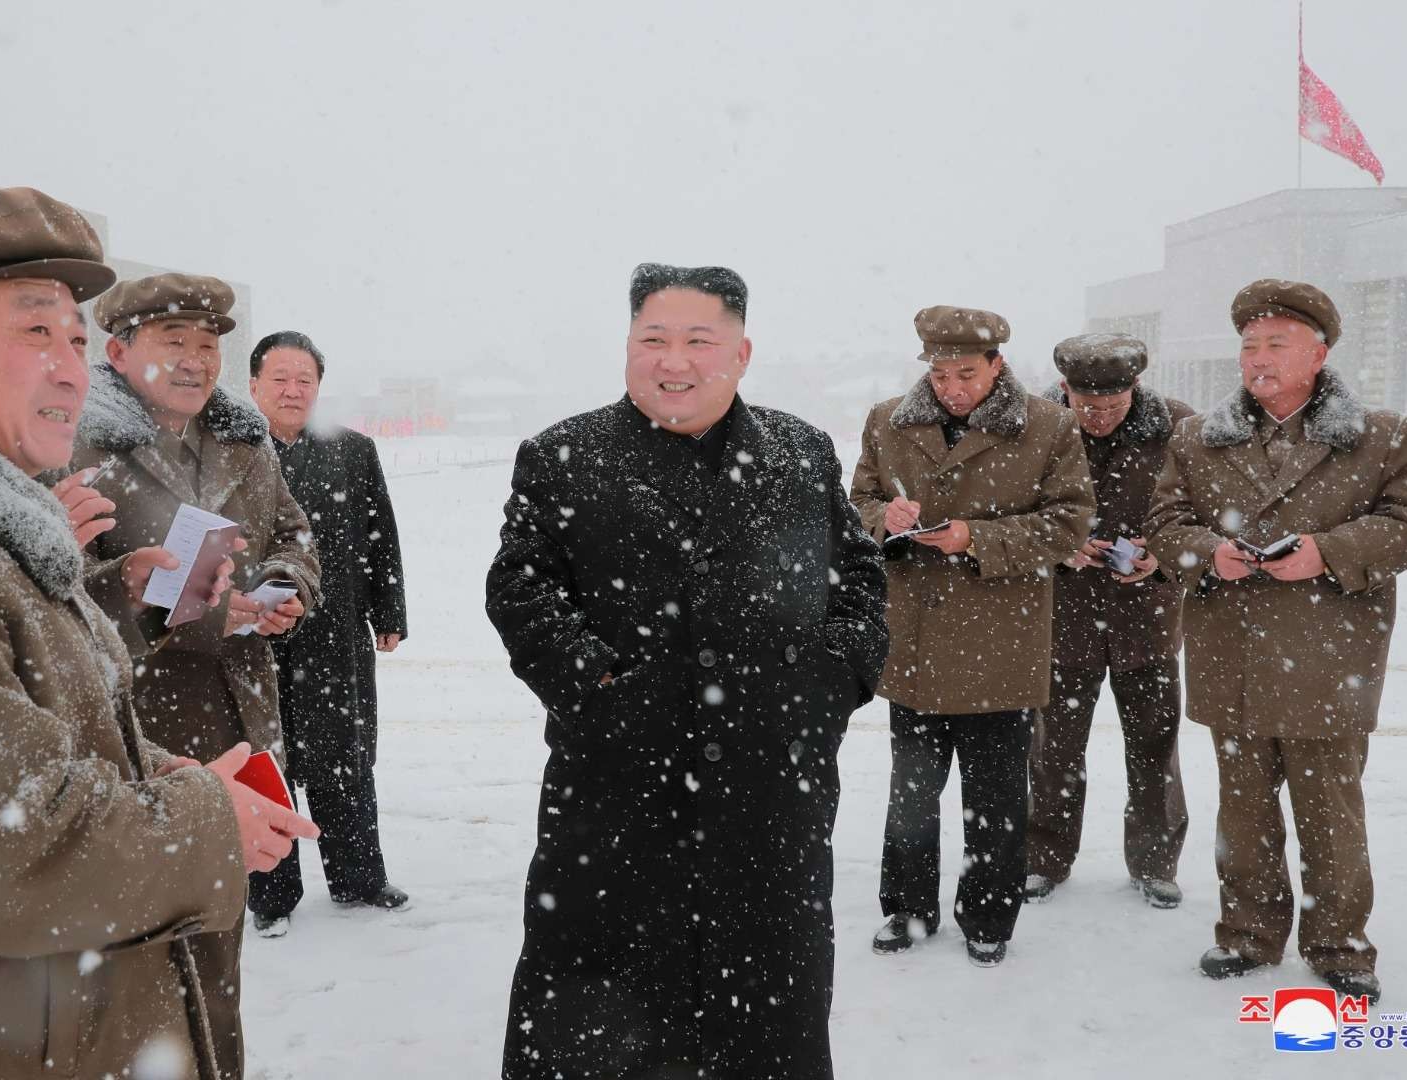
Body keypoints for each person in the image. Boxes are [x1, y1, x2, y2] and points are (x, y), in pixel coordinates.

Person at [0, 187, 316, 1079]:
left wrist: (150, 772)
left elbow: (21, 725)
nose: (68, 367)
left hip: (65, 994)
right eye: (36, 332)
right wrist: (196, 815)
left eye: (73, 340)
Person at [485, 263, 888, 1079]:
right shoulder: (564, 455)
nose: (674, 362)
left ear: (740, 353)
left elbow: (859, 583)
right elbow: (520, 589)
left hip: (769, 795)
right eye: (653, 340)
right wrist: (598, 688)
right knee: (598, 1022)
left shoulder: (800, 451)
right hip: (615, 795)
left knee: (764, 1019)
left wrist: (828, 683)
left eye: (699, 341)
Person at [1144, 279, 1407, 1006]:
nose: (1257, 359)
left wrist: (1327, 551)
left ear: (1320, 352)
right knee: (1240, 808)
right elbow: (1164, 523)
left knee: (1329, 809)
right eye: (1248, 346)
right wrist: (1206, 552)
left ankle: (1339, 943)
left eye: (1276, 344)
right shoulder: (1197, 437)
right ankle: (1246, 932)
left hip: (1327, 658)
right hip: (1230, 652)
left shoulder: (1383, 434)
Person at [68, 273, 323, 1079]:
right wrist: (214, 612)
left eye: (208, 346)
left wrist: (286, 590)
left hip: (238, 718)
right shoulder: (75, 445)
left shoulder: (243, 441)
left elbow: (293, 531)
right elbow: (57, 594)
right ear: (117, 352)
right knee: (131, 957)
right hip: (136, 725)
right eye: (171, 343)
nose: (194, 361)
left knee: (217, 945)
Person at [848, 305, 1093, 965]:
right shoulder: (886, 421)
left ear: (997, 365)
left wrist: (974, 537)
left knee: (995, 796)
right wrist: (883, 517)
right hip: (917, 641)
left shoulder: (1049, 427)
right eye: (939, 373)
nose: (951, 387)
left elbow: (1069, 523)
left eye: (965, 373)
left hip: (1001, 643)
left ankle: (988, 918)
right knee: (911, 791)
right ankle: (905, 909)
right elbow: (856, 505)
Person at [245, 330, 410, 935]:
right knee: (266, 762)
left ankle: (359, 877)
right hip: (252, 635)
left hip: (336, 632)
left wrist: (388, 612)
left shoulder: (351, 450)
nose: (292, 390)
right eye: (280, 378)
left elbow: (379, 537)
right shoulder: (230, 450)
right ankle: (271, 894)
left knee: (345, 757)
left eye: (304, 380)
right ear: (253, 383)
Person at [1024, 334, 1194, 908]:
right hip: (1061, 621)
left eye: (1114, 406)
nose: (1098, 418)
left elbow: (1202, 511)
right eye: (1086, 405)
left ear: (1136, 388)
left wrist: (1162, 555)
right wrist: (1060, 547)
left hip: (1148, 621)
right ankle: (1044, 857)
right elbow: (1012, 512)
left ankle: (1155, 863)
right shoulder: (1035, 423)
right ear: (1065, 389)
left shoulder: (1178, 426)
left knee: (1155, 746)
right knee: (1053, 751)